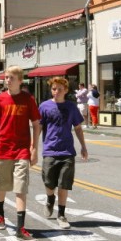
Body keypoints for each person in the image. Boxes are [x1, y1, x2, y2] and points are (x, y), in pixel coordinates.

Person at [0, 65, 41, 241]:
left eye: (11, 78)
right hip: (3, 149)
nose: (7, 80)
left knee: (20, 187)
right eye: (6, 77)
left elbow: (37, 124)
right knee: (2, 185)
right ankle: (0, 213)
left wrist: (34, 148)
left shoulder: (28, 99)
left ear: (20, 80)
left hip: (22, 150)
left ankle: (21, 228)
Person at [38, 77, 89, 230]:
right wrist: (32, 147)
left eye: (60, 89)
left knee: (63, 184)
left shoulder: (71, 107)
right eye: (54, 89)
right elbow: (38, 128)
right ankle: (49, 198)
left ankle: (61, 214)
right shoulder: (44, 106)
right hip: (50, 150)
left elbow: (78, 128)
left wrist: (83, 147)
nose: (57, 92)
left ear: (66, 90)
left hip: (67, 151)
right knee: (48, 182)